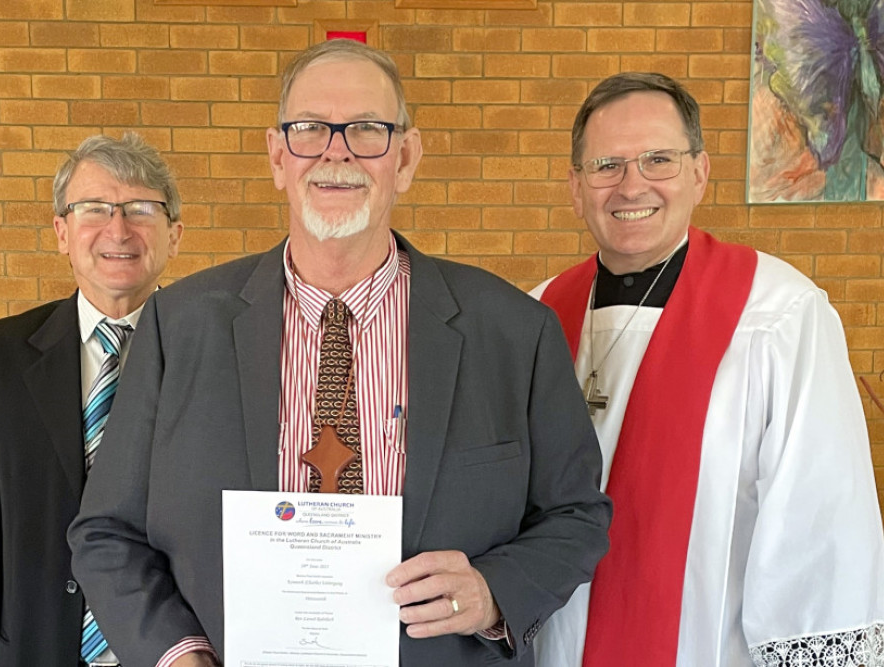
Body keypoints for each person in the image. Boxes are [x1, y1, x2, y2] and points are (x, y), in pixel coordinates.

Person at [68, 39, 611, 667]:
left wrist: (494, 592)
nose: (336, 150)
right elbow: (105, 533)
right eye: (310, 129)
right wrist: (176, 654)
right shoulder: (178, 325)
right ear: (277, 156)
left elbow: (576, 515)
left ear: (405, 158)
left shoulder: (514, 331)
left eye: (367, 130)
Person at [531, 72, 884, 667]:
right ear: (575, 186)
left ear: (698, 172)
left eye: (658, 160)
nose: (630, 184)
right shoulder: (536, 314)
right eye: (606, 165)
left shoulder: (779, 316)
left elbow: (821, 529)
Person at [0, 132, 184, 666]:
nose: (118, 230)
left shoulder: (214, 355)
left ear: (174, 233)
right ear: (61, 231)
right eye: (94, 209)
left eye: (141, 209)